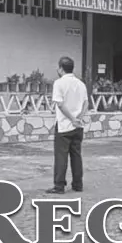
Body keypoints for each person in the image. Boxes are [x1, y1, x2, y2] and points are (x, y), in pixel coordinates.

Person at [47, 57, 88, 194]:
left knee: (61, 156)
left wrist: (71, 119)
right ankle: (78, 184)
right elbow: (86, 103)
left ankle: (59, 186)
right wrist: (78, 119)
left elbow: (59, 104)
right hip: (78, 126)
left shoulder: (59, 83)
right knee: (76, 155)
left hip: (64, 126)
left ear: (61, 68)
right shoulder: (81, 84)